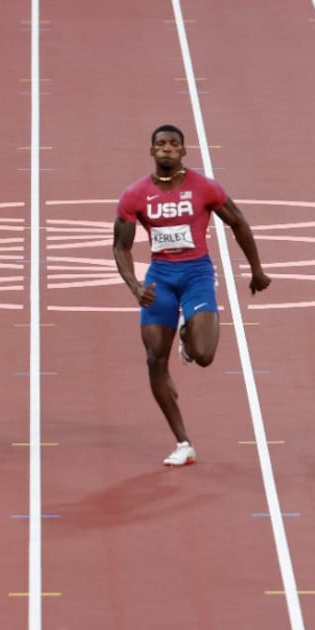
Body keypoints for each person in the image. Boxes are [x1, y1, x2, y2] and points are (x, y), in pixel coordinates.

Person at [112, 124, 271, 466]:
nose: (167, 149)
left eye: (174, 145)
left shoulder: (205, 188)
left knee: (204, 355)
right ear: (152, 151)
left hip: (197, 274)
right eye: (161, 144)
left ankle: (188, 332)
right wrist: (135, 286)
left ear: (183, 152)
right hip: (160, 279)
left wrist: (256, 269)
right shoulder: (135, 196)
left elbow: (238, 222)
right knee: (155, 359)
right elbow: (120, 247)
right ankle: (183, 441)